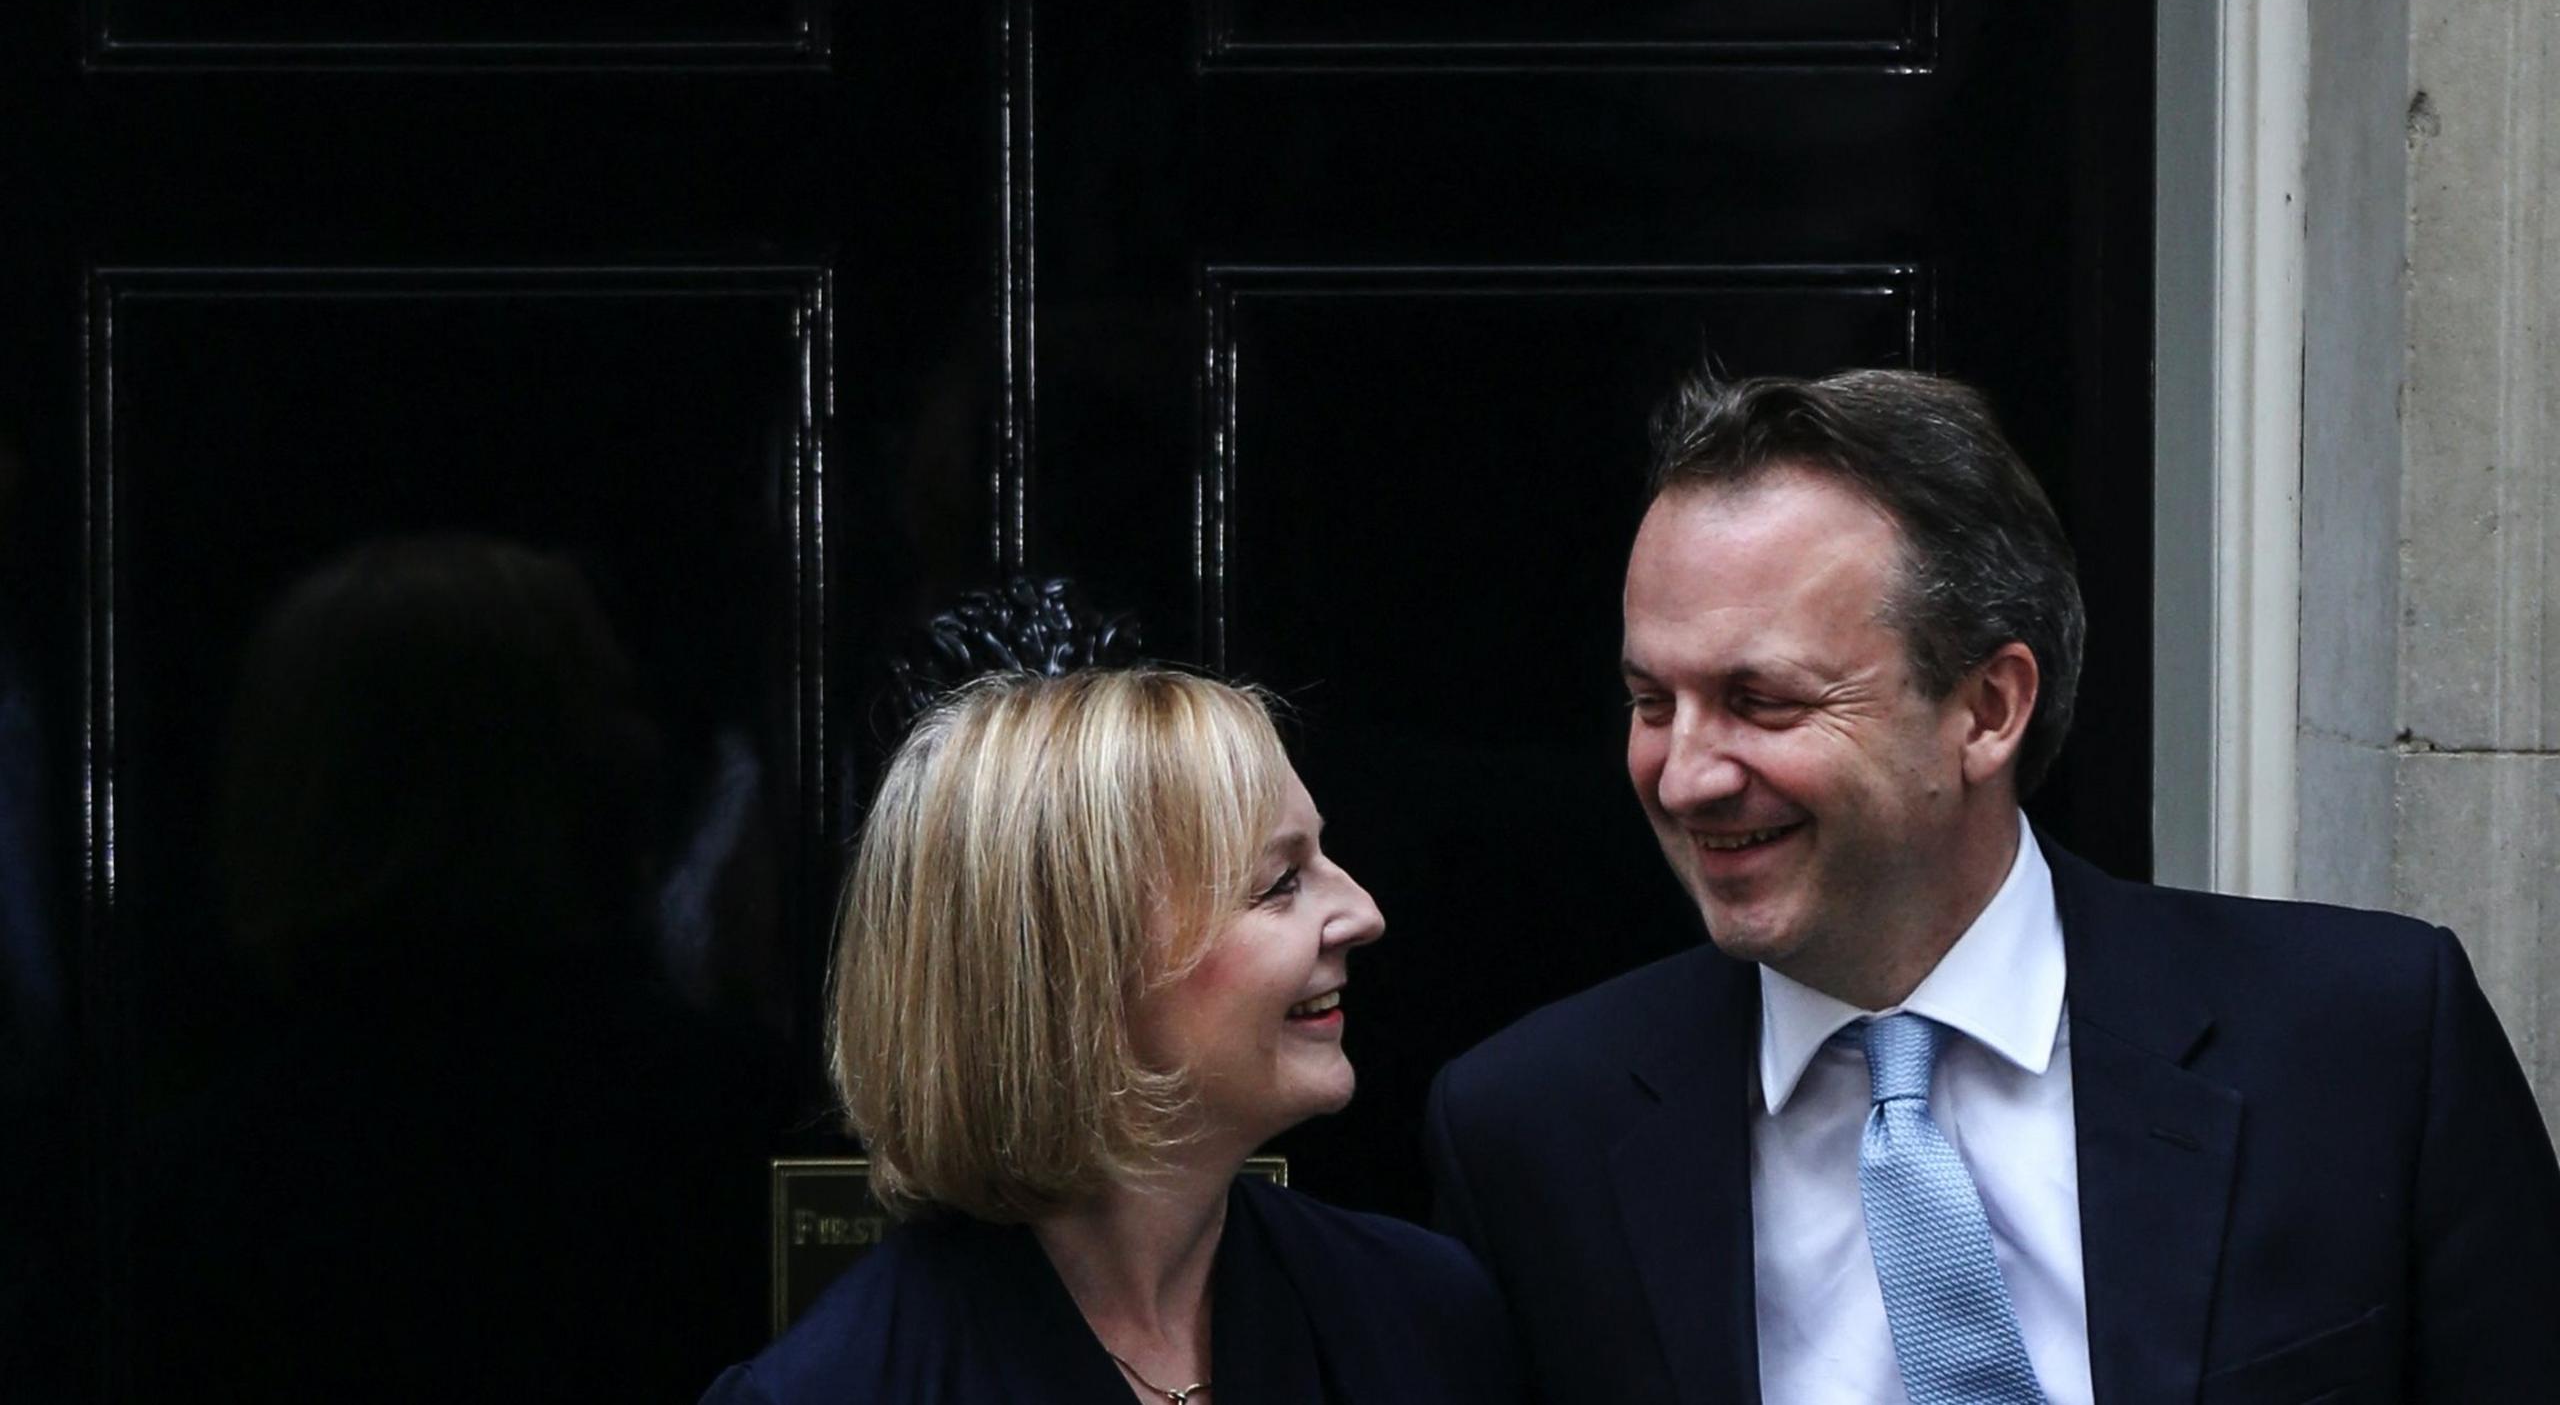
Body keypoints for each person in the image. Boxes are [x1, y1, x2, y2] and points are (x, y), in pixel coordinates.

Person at [1426, 368, 2560, 1404]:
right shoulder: (1534, 1131)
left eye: (1762, 701)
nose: (1683, 774)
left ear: (1986, 708)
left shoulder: (2365, 1042)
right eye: (1652, 702)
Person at [702, 667, 1522, 1405]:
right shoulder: (840, 1389)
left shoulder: (1420, 1317)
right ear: (1077, 973)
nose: (1363, 914)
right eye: (1279, 884)